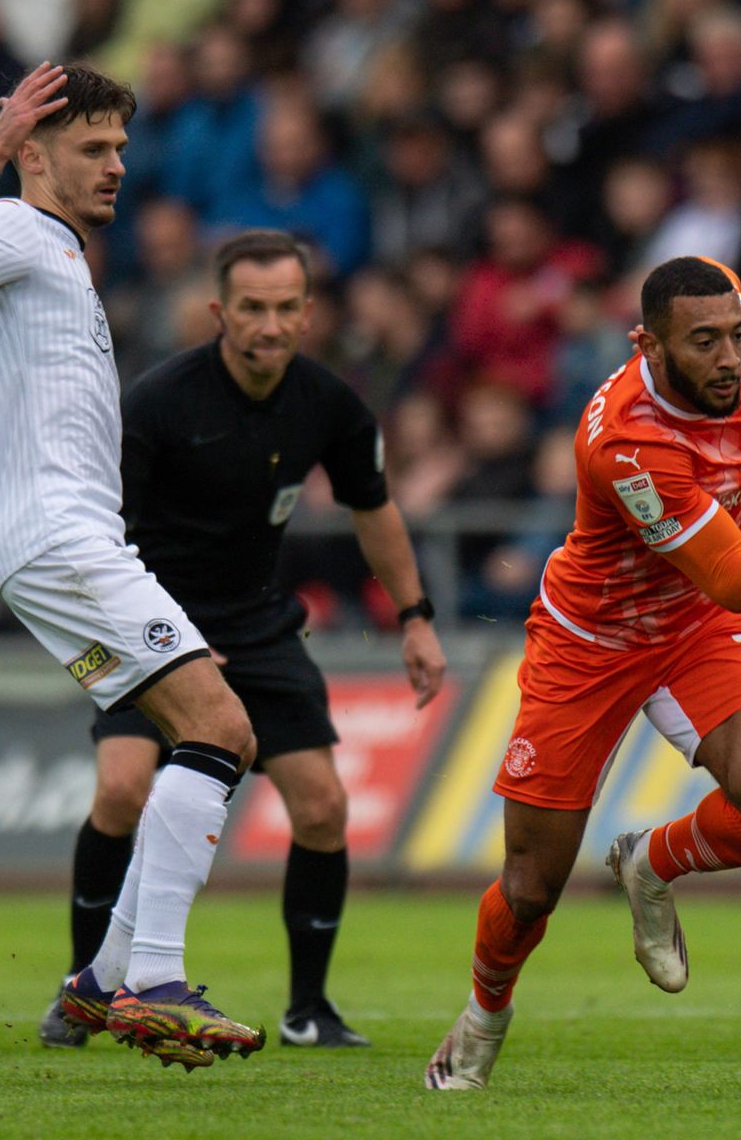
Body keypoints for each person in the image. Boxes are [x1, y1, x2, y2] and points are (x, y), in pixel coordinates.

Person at [423, 257, 741, 1091]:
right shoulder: (626, 440)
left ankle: (651, 864)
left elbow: (718, 590)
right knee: (530, 890)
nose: (730, 357)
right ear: (646, 345)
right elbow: (735, 575)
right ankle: (484, 1018)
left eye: (735, 334)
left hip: (693, 622)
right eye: (703, 343)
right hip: (591, 640)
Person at [0, 62, 263, 1069]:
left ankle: (96, 982)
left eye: (120, 147)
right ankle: (152, 982)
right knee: (221, 729)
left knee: (192, 731)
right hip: (67, 538)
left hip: (45, 538)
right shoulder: (22, 233)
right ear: (33, 154)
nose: (117, 166)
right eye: (91, 149)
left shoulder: (48, 261)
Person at [35, 230, 447, 1052]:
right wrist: (164, 640)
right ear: (220, 312)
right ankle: (87, 990)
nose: (270, 325)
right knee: (120, 791)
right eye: (252, 309)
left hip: (258, 626)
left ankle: (309, 1010)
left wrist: (415, 617)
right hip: (150, 620)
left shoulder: (329, 403)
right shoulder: (157, 402)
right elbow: (97, 523)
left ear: (308, 312)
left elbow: (375, 506)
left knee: (325, 808)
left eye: (286, 308)